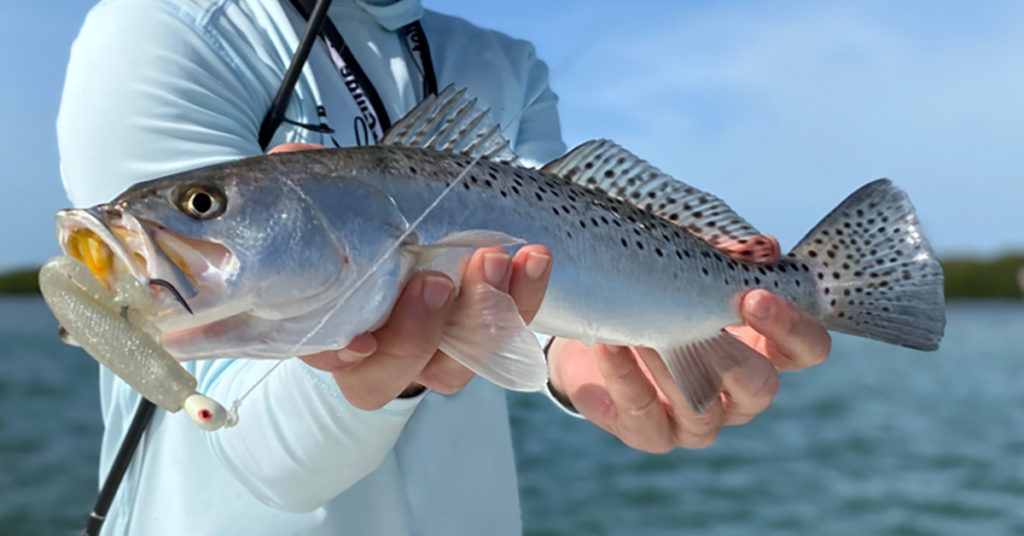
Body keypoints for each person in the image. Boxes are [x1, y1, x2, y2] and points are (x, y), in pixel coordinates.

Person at [57, 0, 831, 534]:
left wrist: (583, 360)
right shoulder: (164, 32)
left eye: (197, 206)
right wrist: (389, 371)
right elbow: (245, 443)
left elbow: (545, 285)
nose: (190, 218)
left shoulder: (506, 65)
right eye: (204, 204)